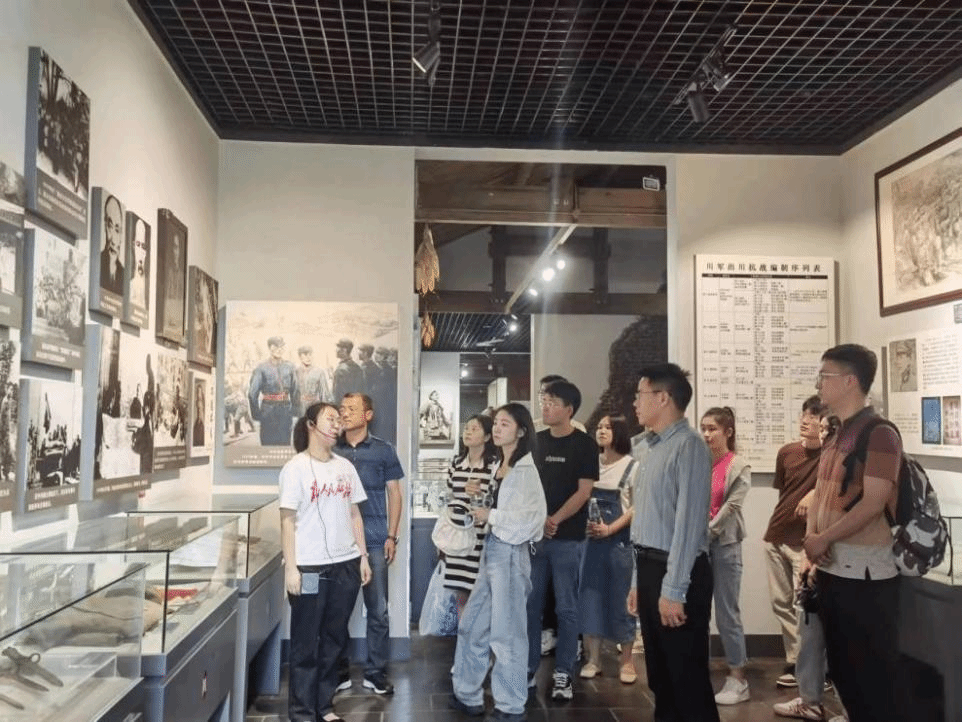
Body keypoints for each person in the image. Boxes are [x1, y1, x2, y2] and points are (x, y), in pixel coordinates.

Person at [804, 344, 904, 722]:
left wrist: (824, 538)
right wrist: (812, 541)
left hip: (865, 574)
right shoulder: (836, 432)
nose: (819, 384)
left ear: (849, 381)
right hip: (833, 567)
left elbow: (874, 502)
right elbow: (821, 494)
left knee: (868, 676)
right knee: (844, 669)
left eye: (825, 376)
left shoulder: (880, 434)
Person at [626, 363, 719, 722]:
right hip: (652, 568)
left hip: (678, 571)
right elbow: (646, 523)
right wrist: (638, 581)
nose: (635, 403)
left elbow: (689, 525)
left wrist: (674, 589)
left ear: (663, 398)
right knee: (661, 678)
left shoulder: (689, 445)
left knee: (686, 680)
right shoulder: (651, 448)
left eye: (640, 395)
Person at [450, 403, 546, 722]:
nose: (498, 428)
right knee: (472, 625)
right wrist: (482, 500)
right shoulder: (501, 465)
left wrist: (490, 514)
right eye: (497, 423)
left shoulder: (525, 471)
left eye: (506, 423)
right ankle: (467, 693)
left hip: (510, 554)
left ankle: (510, 705)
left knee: (507, 634)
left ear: (521, 431)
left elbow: (532, 520)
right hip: (492, 551)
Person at [279, 401, 372, 722]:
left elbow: (355, 514)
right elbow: (287, 521)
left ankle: (324, 706)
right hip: (309, 567)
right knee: (306, 644)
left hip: (346, 564)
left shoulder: (345, 467)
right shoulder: (295, 468)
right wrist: (291, 568)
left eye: (338, 420)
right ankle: (302, 713)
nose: (337, 425)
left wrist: (363, 556)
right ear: (311, 425)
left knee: (334, 641)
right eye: (330, 419)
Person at [527, 378, 598, 701]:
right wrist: (539, 519)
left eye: (553, 402)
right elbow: (528, 487)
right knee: (531, 605)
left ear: (569, 409)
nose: (546, 406)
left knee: (567, 607)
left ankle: (563, 673)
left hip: (568, 538)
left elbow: (584, 491)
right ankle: (528, 669)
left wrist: (554, 519)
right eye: (544, 401)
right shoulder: (535, 442)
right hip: (535, 536)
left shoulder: (584, 444)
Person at [774, 414, 846, 722]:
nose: (825, 434)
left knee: (842, 641)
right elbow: (816, 516)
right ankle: (810, 700)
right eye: (824, 429)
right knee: (810, 633)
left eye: (831, 429)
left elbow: (856, 514)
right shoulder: (827, 466)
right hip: (818, 560)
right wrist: (809, 554)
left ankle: (850, 709)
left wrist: (823, 545)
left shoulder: (853, 466)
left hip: (843, 564)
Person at [335, 393, 404, 696]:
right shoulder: (331, 449)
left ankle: (375, 673)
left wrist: (392, 535)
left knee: (378, 611)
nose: (345, 413)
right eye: (342, 408)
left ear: (368, 415)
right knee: (337, 612)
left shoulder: (384, 450)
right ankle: (339, 673)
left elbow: (395, 494)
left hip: (375, 540)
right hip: (338, 543)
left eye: (352, 408)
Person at [764, 395, 826, 688]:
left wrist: (815, 494)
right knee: (780, 603)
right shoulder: (787, 452)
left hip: (805, 543)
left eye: (813, 416)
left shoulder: (832, 457)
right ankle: (796, 660)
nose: (806, 421)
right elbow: (783, 492)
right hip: (777, 535)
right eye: (804, 414)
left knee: (804, 607)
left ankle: (812, 668)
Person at [578, 414, 637, 684]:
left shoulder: (632, 466)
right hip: (590, 543)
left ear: (620, 432)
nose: (601, 431)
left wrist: (610, 529)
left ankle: (627, 662)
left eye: (608, 427)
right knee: (590, 598)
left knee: (622, 601)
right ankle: (594, 659)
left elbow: (636, 507)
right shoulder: (591, 463)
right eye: (600, 427)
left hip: (619, 543)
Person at [701, 406, 752, 705]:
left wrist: (708, 532)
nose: (707, 434)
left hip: (725, 545)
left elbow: (731, 506)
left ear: (728, 432)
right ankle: (699, 671)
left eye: (713, 429)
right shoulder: (700, 463)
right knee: (698, 611)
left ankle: (738, 678)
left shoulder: (738, 465)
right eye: (704, 428)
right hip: (699, 546)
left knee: (726, 613)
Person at [444, 414, 499, 613]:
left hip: (480, 536)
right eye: (466, 428)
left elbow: (497, 499)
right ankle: (462, 629)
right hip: (457, 534)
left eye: (475, 429)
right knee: (459, 590)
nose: (468, 432)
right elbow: (448, 497)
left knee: (479, 590)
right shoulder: (456, 463)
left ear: (487, 437)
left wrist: (480, 494)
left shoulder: (493, 465)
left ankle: (476, 631)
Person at [248, 336, 298, 446]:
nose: (279, 350)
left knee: (284, 445)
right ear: (270, 348)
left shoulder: (290, 367)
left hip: (285, 412)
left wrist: (294, 412)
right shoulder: (261, 368)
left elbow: (295, 390)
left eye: (281, 347)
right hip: (268, 412)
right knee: (267, 445)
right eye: (275, 347)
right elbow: (252, 394)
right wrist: (257, 414)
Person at [99, 194, 124, 296]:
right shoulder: (98, 264)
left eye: (117, 230)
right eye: (110, 226)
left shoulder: (123, 274)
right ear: (105, 226)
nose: (113, 240)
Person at [295, 345, 331, 414]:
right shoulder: (296, 372)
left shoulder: (319, 372)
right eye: (305, 355)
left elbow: (324, 394)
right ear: (300, 357)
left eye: (310, 354)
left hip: (314, 407)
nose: (308, 357)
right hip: (299, 409)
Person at [163, 229, 185, 336]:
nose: (174, 252)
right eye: (172, 247)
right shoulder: (166, 274)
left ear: (179, 251)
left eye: (176, 247)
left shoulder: (181, 277)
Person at [332, 338, 364, 402]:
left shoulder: (341, 369)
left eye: (338, 347)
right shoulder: (357, 367)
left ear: (344, 350)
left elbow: (338, 394)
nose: (336, 350)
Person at [128, 216, 148, 310]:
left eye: (143, 246)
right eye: (138, 244)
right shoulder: (129, 282)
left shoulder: (145, 283)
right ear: (132, 246)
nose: (141, 251)